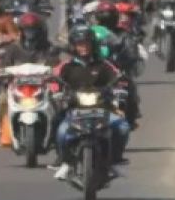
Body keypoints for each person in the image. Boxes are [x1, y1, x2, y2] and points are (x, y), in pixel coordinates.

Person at [52, 26, 130, 181]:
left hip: (102, 109)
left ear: (92, 44)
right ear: (74, 46)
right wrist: (56, 92)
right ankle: (65, 162)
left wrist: (119, 89)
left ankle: (114, 161)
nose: (84, 48)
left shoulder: (104, 64)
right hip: (74, 110)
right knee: (61, 130)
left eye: (87, 44)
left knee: (122, 127)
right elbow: (54, 80)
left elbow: (119, 78)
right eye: (80, 44)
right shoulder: (66, 66)